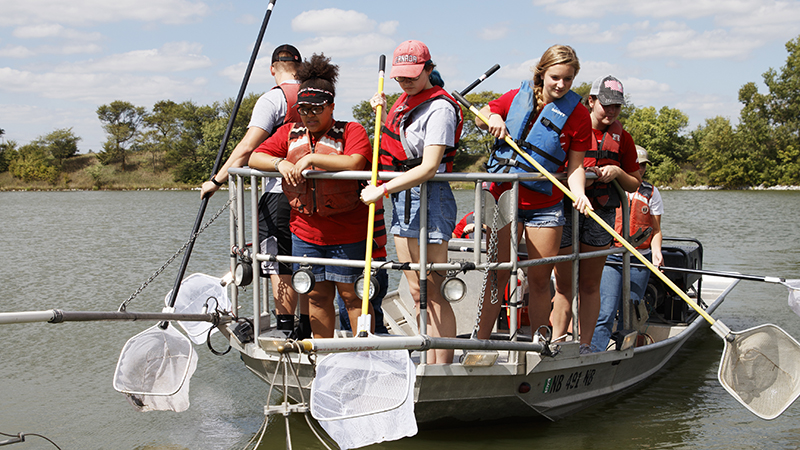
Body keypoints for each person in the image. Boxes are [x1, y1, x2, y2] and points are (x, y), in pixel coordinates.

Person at [249, 53, 374, 338]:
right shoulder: (289, 133)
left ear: (331, 106)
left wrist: (312, 159)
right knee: (316, 296)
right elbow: (256, 157)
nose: (309, 115)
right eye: (303, 109)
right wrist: (280, 163)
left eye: (316, 108)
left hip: (348, 232)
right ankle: (325, 358)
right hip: (305, 232)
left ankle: (363, 355)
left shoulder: (351, 130)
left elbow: (355, 161)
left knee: (353, 296)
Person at [475, 44, 592, 341]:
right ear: (542, 74)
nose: (561, 85)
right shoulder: (516, 97)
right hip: (505, 198)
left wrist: (579, 193)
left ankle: (540, 344)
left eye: (568, 79)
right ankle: (480, 342)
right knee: (497, 274)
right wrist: (493, 117)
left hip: (546, 205)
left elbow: (576, 167)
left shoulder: (578, 116)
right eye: (555, 77)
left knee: (540, 280)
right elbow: (481, 114)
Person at [360, 40, 462, 364]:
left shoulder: (440, 108)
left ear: (429, 70)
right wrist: (382, 105)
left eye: (412, 76)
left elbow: (429, 166)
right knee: (417, 292)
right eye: (400, 77)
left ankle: (441, 366)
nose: (405, 82)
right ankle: (426, 355)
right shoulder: (405, 102)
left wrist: (383, 190)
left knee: (433, 291)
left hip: (428, 196)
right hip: (403, 193)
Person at [199, 44, 309, 338]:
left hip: (280, 192)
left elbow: (247, 147)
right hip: (316, 194)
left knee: (278, 261)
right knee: (310, 256)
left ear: (272, 68)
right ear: (301, 66)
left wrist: (217, 180)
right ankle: (310, 325)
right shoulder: (318, 96)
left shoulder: (273, 99)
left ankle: (286, 328)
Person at [550, 75, 642, 354]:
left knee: (590, 284)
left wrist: (618, 172)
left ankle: (586, 345)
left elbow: (634, 183)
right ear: (591, 101)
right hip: (567, 210)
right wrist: (581, 179)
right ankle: (556, 342)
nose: (611, 111)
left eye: (616, 106)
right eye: (606, 105)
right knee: (564, 285)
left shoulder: (622, 138)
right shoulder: (571, 128)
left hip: (600, 213)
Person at [592, 145, 663, 351]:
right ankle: (596, 350)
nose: (640, 170)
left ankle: (625, 351)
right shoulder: (609, 187)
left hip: (639, 258)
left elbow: (656, 230)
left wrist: (657, 253)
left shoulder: (651, 192)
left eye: (643, 166)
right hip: (611, 256)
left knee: (631, 311)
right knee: (606, 309)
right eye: (637, 165)